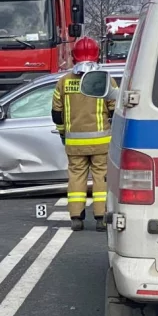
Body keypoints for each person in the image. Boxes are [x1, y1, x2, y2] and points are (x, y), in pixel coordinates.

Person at [51, 37, 115, 232]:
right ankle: (100, 217)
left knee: (76, 178)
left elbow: (56, 113)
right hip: (101, 143)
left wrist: (63, 134)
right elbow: (115, 109)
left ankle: (76, 217)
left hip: (74, 143)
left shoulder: (64, 82)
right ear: (97, 55)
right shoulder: (105, 79)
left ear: (73, 57)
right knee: (101, 178)